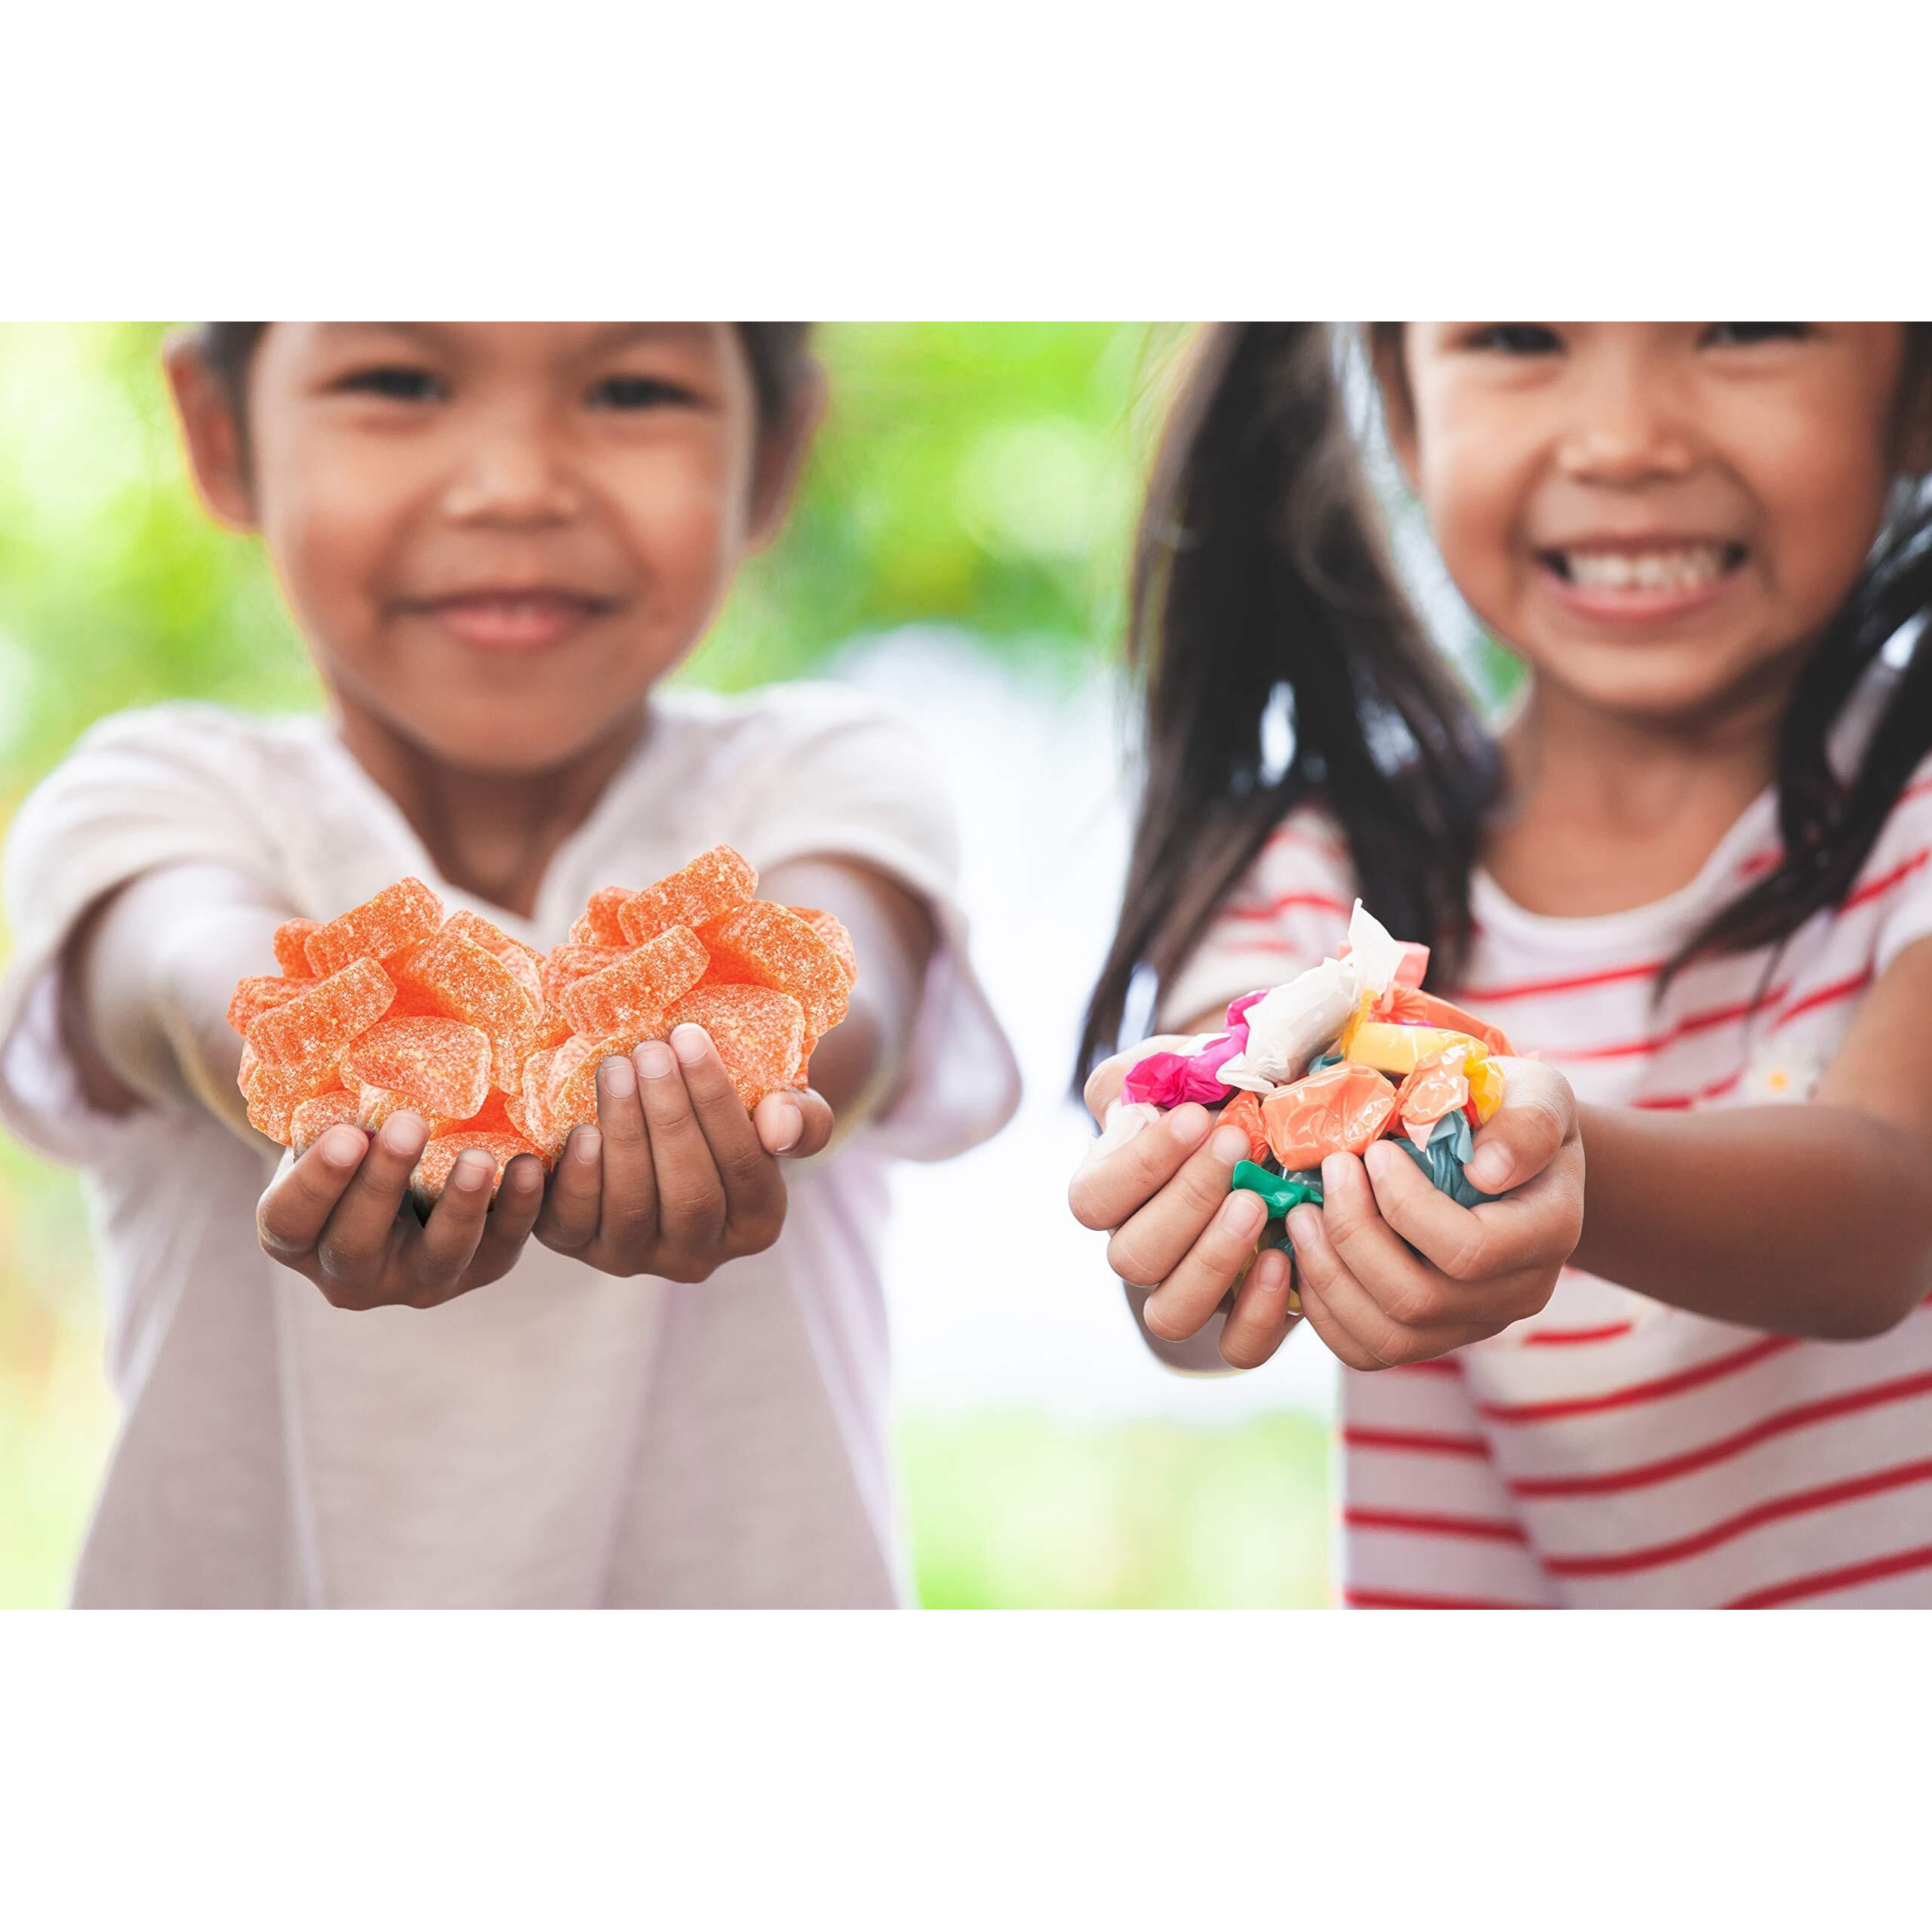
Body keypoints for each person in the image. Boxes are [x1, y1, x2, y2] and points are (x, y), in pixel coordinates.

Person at [0, 321, 1018, 1607]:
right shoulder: (156, 796)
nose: (517, 485)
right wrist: (335, 1083)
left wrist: (710, 1085)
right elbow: (183, 967)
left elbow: (838, 994)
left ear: (776, 456)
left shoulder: (829, 779)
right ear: (218, 432)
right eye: (399, 381)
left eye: (631, 389)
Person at [1071, 322, 1932, 1608]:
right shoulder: (1310, 871)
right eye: (1521, 337)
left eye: (1748, 324)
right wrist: (1188, 1185)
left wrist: (1557, 1161)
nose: (1625, 443)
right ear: (1403, 404)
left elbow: (1887, 1218)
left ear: (1917, 392)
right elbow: (1187, 1300)